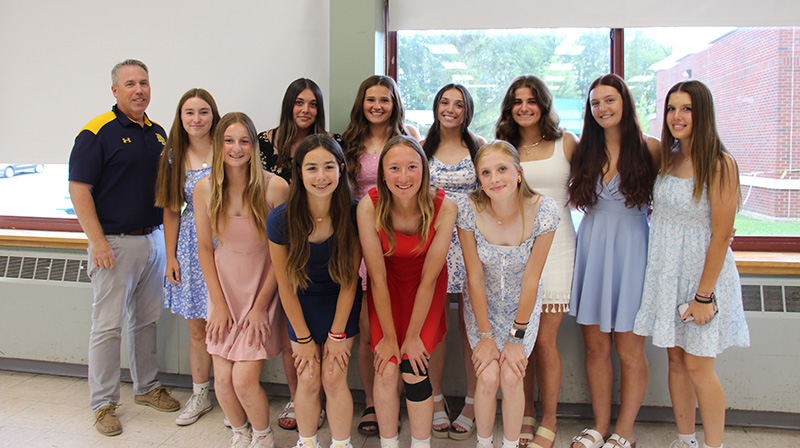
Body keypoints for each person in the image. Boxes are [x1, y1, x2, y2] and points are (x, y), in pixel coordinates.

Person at [633, 81, 750, 448]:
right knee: (677, 361)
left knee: (700, 367)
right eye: (671, 109)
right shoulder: (668, 157)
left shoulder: (720, 163)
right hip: (668, 271)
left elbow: (721, 235)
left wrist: (703, 295)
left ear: (702, 113)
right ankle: (686, 440)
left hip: (703, 277)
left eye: (686, 109)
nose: (677, 117)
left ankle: (713, 445)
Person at [69, 59, 180, 437]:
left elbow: (167, 193)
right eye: (130, 83)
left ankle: (147, 387)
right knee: (107, 327)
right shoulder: (96, 132)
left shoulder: (159, 132)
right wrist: (97, 241)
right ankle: (103, 404)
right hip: (113, 245)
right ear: (115, 90)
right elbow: (78, 189)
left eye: (144, 83)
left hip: (152, 242)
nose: (139, 90)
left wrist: (168, 247)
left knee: (146, 320)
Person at [567, 74, 660, 448]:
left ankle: (626, 430)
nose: (602, 108)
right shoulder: (582, 150)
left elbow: (680, 192)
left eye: (609, 100)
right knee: (595, 348)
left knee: (629, 349)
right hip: (593, 247)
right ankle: (600, 426)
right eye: (595, 103)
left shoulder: (650, 148)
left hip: (633, 251)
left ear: (625, 103)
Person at [194, 112, 289, 447]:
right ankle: (240, 433)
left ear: (254, 145)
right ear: (219, 145)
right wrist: (218, 305)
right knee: (221, 382)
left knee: (244, 380)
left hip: (263, 286)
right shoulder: (204, 189)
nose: (236, 148)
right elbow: (205, 249)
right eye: (229, 141)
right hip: (224, 288)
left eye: (244, 141)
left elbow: (284, 256)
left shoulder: (275, 187)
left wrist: (261, 306)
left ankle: (263, 436)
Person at [495, 75, 579, 448]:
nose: (524, 107)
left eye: (531, 100)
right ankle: (524, 411)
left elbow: (597, 183)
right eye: (517, 101)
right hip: (516, 249)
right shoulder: (503, 148)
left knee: (544, 341)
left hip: (559, 247)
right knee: (519, 341)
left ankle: (549, 418)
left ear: (543, 104)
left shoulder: (567, 143)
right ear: (509, 108)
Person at [457, 140, 558, 448]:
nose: (494, 179)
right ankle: (484, 443)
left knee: (512, 377)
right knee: (487, 378)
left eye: (502, 169)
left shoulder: (544, 211)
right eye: (485, 173)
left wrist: (516, 338)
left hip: (521, 310)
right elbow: (473, 276)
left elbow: (532, 278)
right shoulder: (469, 209)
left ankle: (510, 444)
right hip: (481, 308)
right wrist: (485, 337)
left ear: (518, 173)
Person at [357, 136, 456, 448]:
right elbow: (377, 277)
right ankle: (389, 443)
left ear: (423, 171)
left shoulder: (445, 206)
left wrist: (412, 336)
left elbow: (430, 279)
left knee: (414, 368)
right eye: (395, 168)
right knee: (386, 369)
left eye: (412, 167)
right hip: (386, 288)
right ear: (383, 174)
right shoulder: (368, 205)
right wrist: (388, 336)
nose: (404, 177)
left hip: (425, 291)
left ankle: (420, 443)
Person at [268, 134, 362, 448]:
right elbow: (284, 284)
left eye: (328, 167)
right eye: (311, 168)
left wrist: (337, 336)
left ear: (341, 169)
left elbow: (350, 281)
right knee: (308, 378)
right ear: (298, 172)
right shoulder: (280, 219)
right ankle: (306, 442)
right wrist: (304, 339)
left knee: (334, 376)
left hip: (341, 302)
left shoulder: (355, 213)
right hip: (302, 302)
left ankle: (340, 443)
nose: (320, 176)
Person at [342, 75, 421, 436]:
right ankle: (373, 402)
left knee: (402, 323)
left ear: (395, 103)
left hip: (402, 238)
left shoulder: (409, 138)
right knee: (367, 327)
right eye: (370, 99)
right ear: (362, 103)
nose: (377, 105)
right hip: (363, 237)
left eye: (384, 100)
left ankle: (400, 396)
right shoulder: (348, 142)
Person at [257, 77, 333, 430]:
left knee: (319, 335)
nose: (305, 110)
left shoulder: (328, 144)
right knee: (292, 331)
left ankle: (323, 399)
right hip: (272, 239)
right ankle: (298, 397)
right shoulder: (264, 143)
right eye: (299, 102)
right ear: (289, 105)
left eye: (312, 104)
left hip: (320, 243)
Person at [421, 83, 485, 440]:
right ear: (436, 106)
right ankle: (434, 399)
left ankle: (473, 403)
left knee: (471, 326)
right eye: (444, 102)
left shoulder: (479, 148)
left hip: (471, 243)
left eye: (458, 104)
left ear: (467, 110)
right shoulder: (422, 147)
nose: (450, 109)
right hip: (433, 243)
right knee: (435, 325)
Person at [155, 88, 221, 426]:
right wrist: (171, 257)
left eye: (203, 112)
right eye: (189, 113)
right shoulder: (173, 155)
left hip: (226, 242)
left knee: (227, 324)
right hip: (190, 247)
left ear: (213, 115)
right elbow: (170, 211)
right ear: (181, 118)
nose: (197, 119)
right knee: (198, 328)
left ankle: (231, 394)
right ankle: (200, 394)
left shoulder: (228, 149)